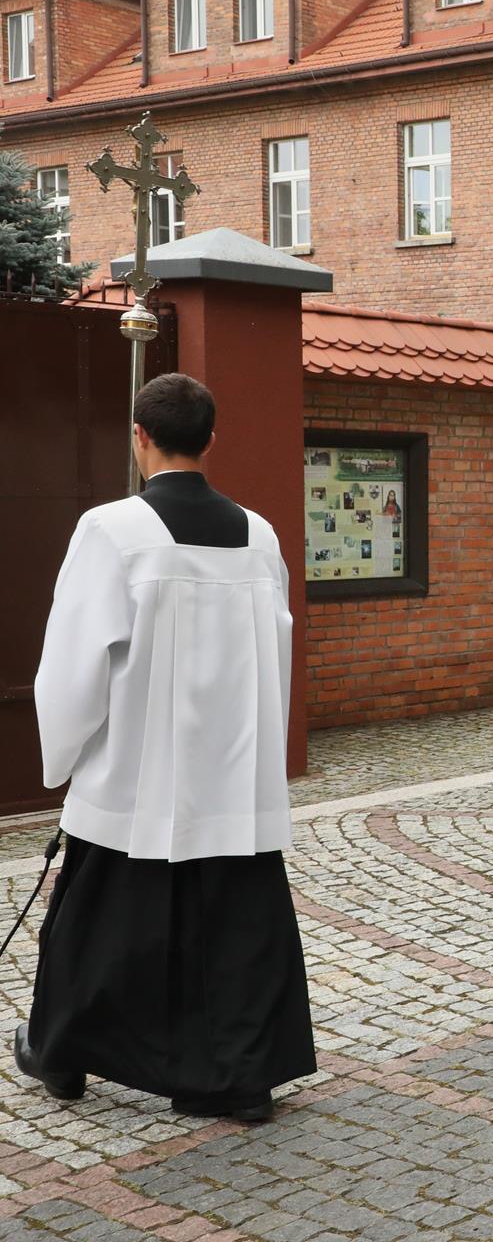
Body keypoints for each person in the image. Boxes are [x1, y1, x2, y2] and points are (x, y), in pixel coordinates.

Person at [15, 373, 315, 1120]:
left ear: (139, 436)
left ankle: (63, 1056)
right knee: (237, 933)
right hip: (234, 781)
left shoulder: (109, 530)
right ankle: (241, 1080)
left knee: (100, 928)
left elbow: (74, 661)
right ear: (211, 440)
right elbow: (278, 660)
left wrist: (66, 758)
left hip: (136, 773)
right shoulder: (259, 536)